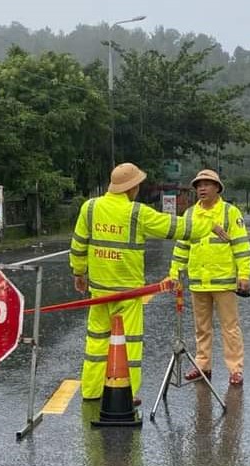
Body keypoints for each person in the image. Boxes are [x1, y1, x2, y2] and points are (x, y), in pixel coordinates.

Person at [70, 162, 225, 402]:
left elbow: (79, 244)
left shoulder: (89, 208)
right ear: (131, 187)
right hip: (128, 293)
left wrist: (79, 273)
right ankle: (127, 393)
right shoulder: (137, 213)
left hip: (99, 290)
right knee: (130, 344)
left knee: (96, 343)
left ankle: (91, 392)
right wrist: (209, 225)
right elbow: (178, 228)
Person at [169, 169, 250, 385]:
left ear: (217, 188)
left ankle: (235, 369)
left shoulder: (230, 212)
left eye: (207, 184)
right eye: (199, 185)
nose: (202, 188)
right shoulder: (190, 214)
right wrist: (175, 274)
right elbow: (182, 247)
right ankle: (202, 365)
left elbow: (241, 245)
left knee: (230, 327)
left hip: (223, 282)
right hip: (198, 282)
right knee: (201, 328)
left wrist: (244, 273)